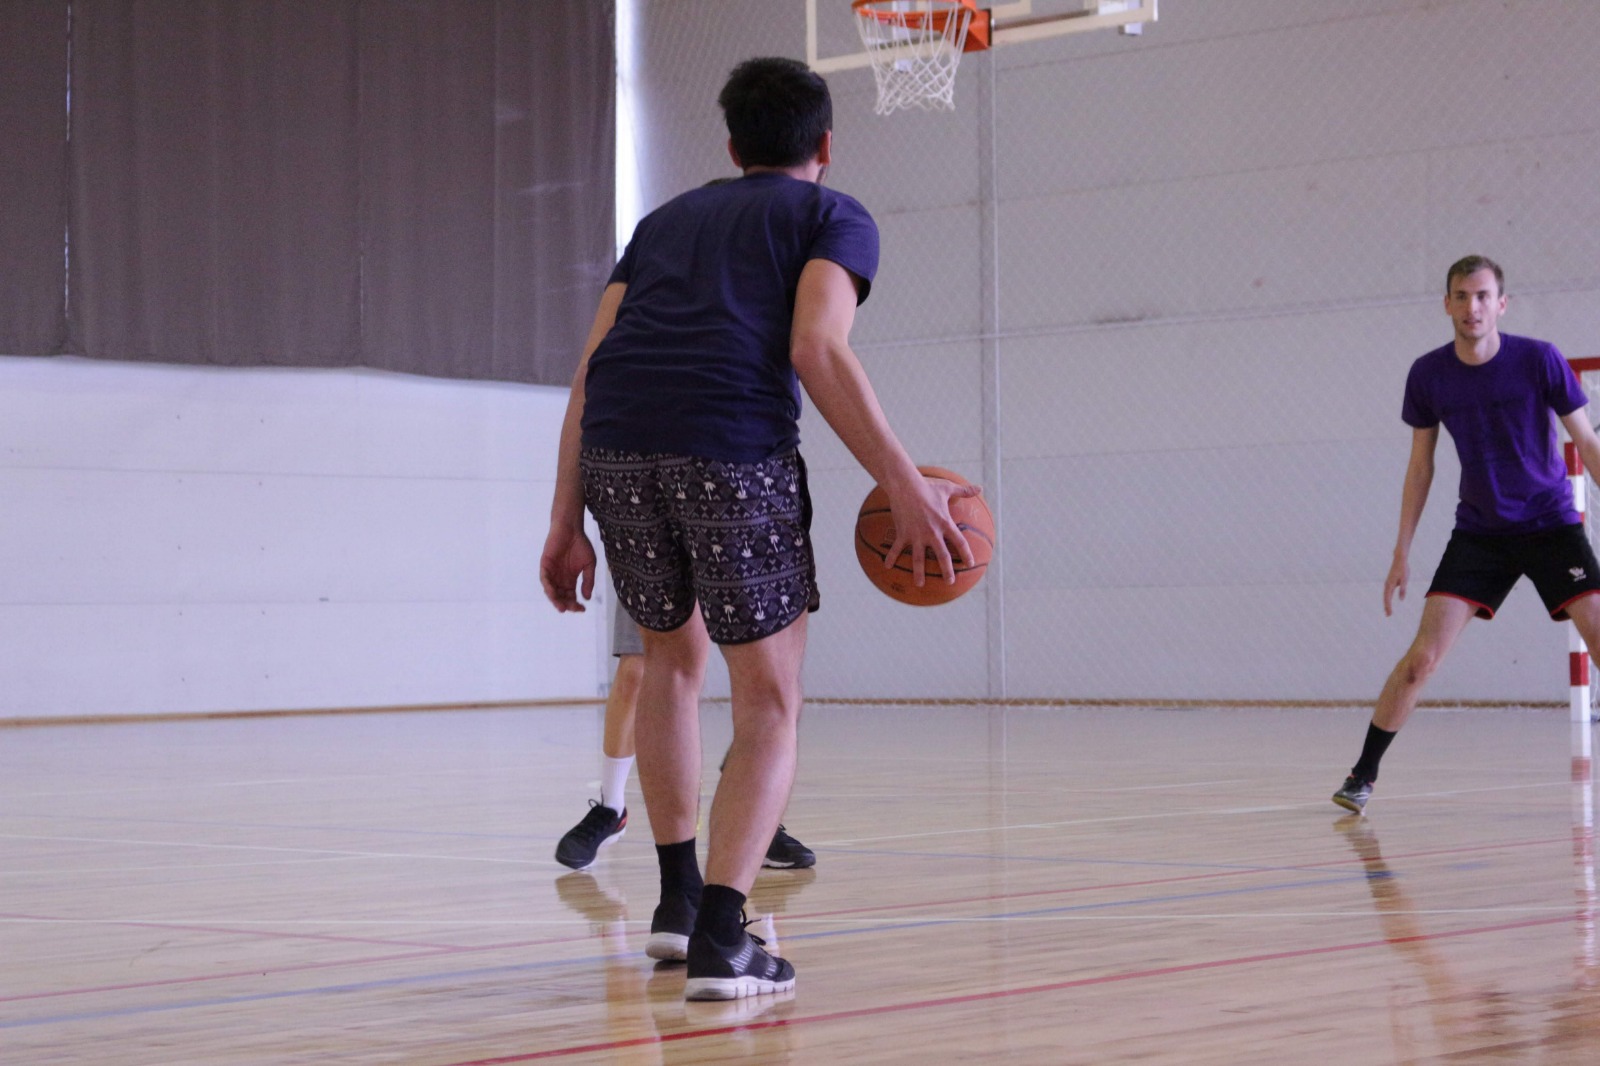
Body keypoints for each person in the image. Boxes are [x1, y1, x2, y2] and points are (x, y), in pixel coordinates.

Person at [540, 55, 975, 1000]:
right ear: (827, 144)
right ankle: (724, 939)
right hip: (730, 451)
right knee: (770, 701)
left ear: (733, 147)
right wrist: (903, 482)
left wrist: (564, 517)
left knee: (668, 662)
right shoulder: (831, 214)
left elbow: (589, 372)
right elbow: (816, 345)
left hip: (617, 451)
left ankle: (676, 902)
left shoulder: (663, 223)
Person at [1332, 255, 1600, 814]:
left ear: (1501, 304)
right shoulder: (1428, 374)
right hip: (1480, 533)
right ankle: (1362, 775)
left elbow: (1587, 441)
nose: (1471, 307)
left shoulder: (1540, 359)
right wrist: (1402, 550)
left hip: (1551, 524)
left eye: (1482, 296)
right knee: (1421, 660)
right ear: (1447, 304)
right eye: (1461, 296)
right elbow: (1420, 467)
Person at [554, 594, 816, 872]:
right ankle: (611, 808)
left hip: (742, 567)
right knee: (636, 670)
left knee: (769, 686)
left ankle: (754, 817)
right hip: (657, 566)